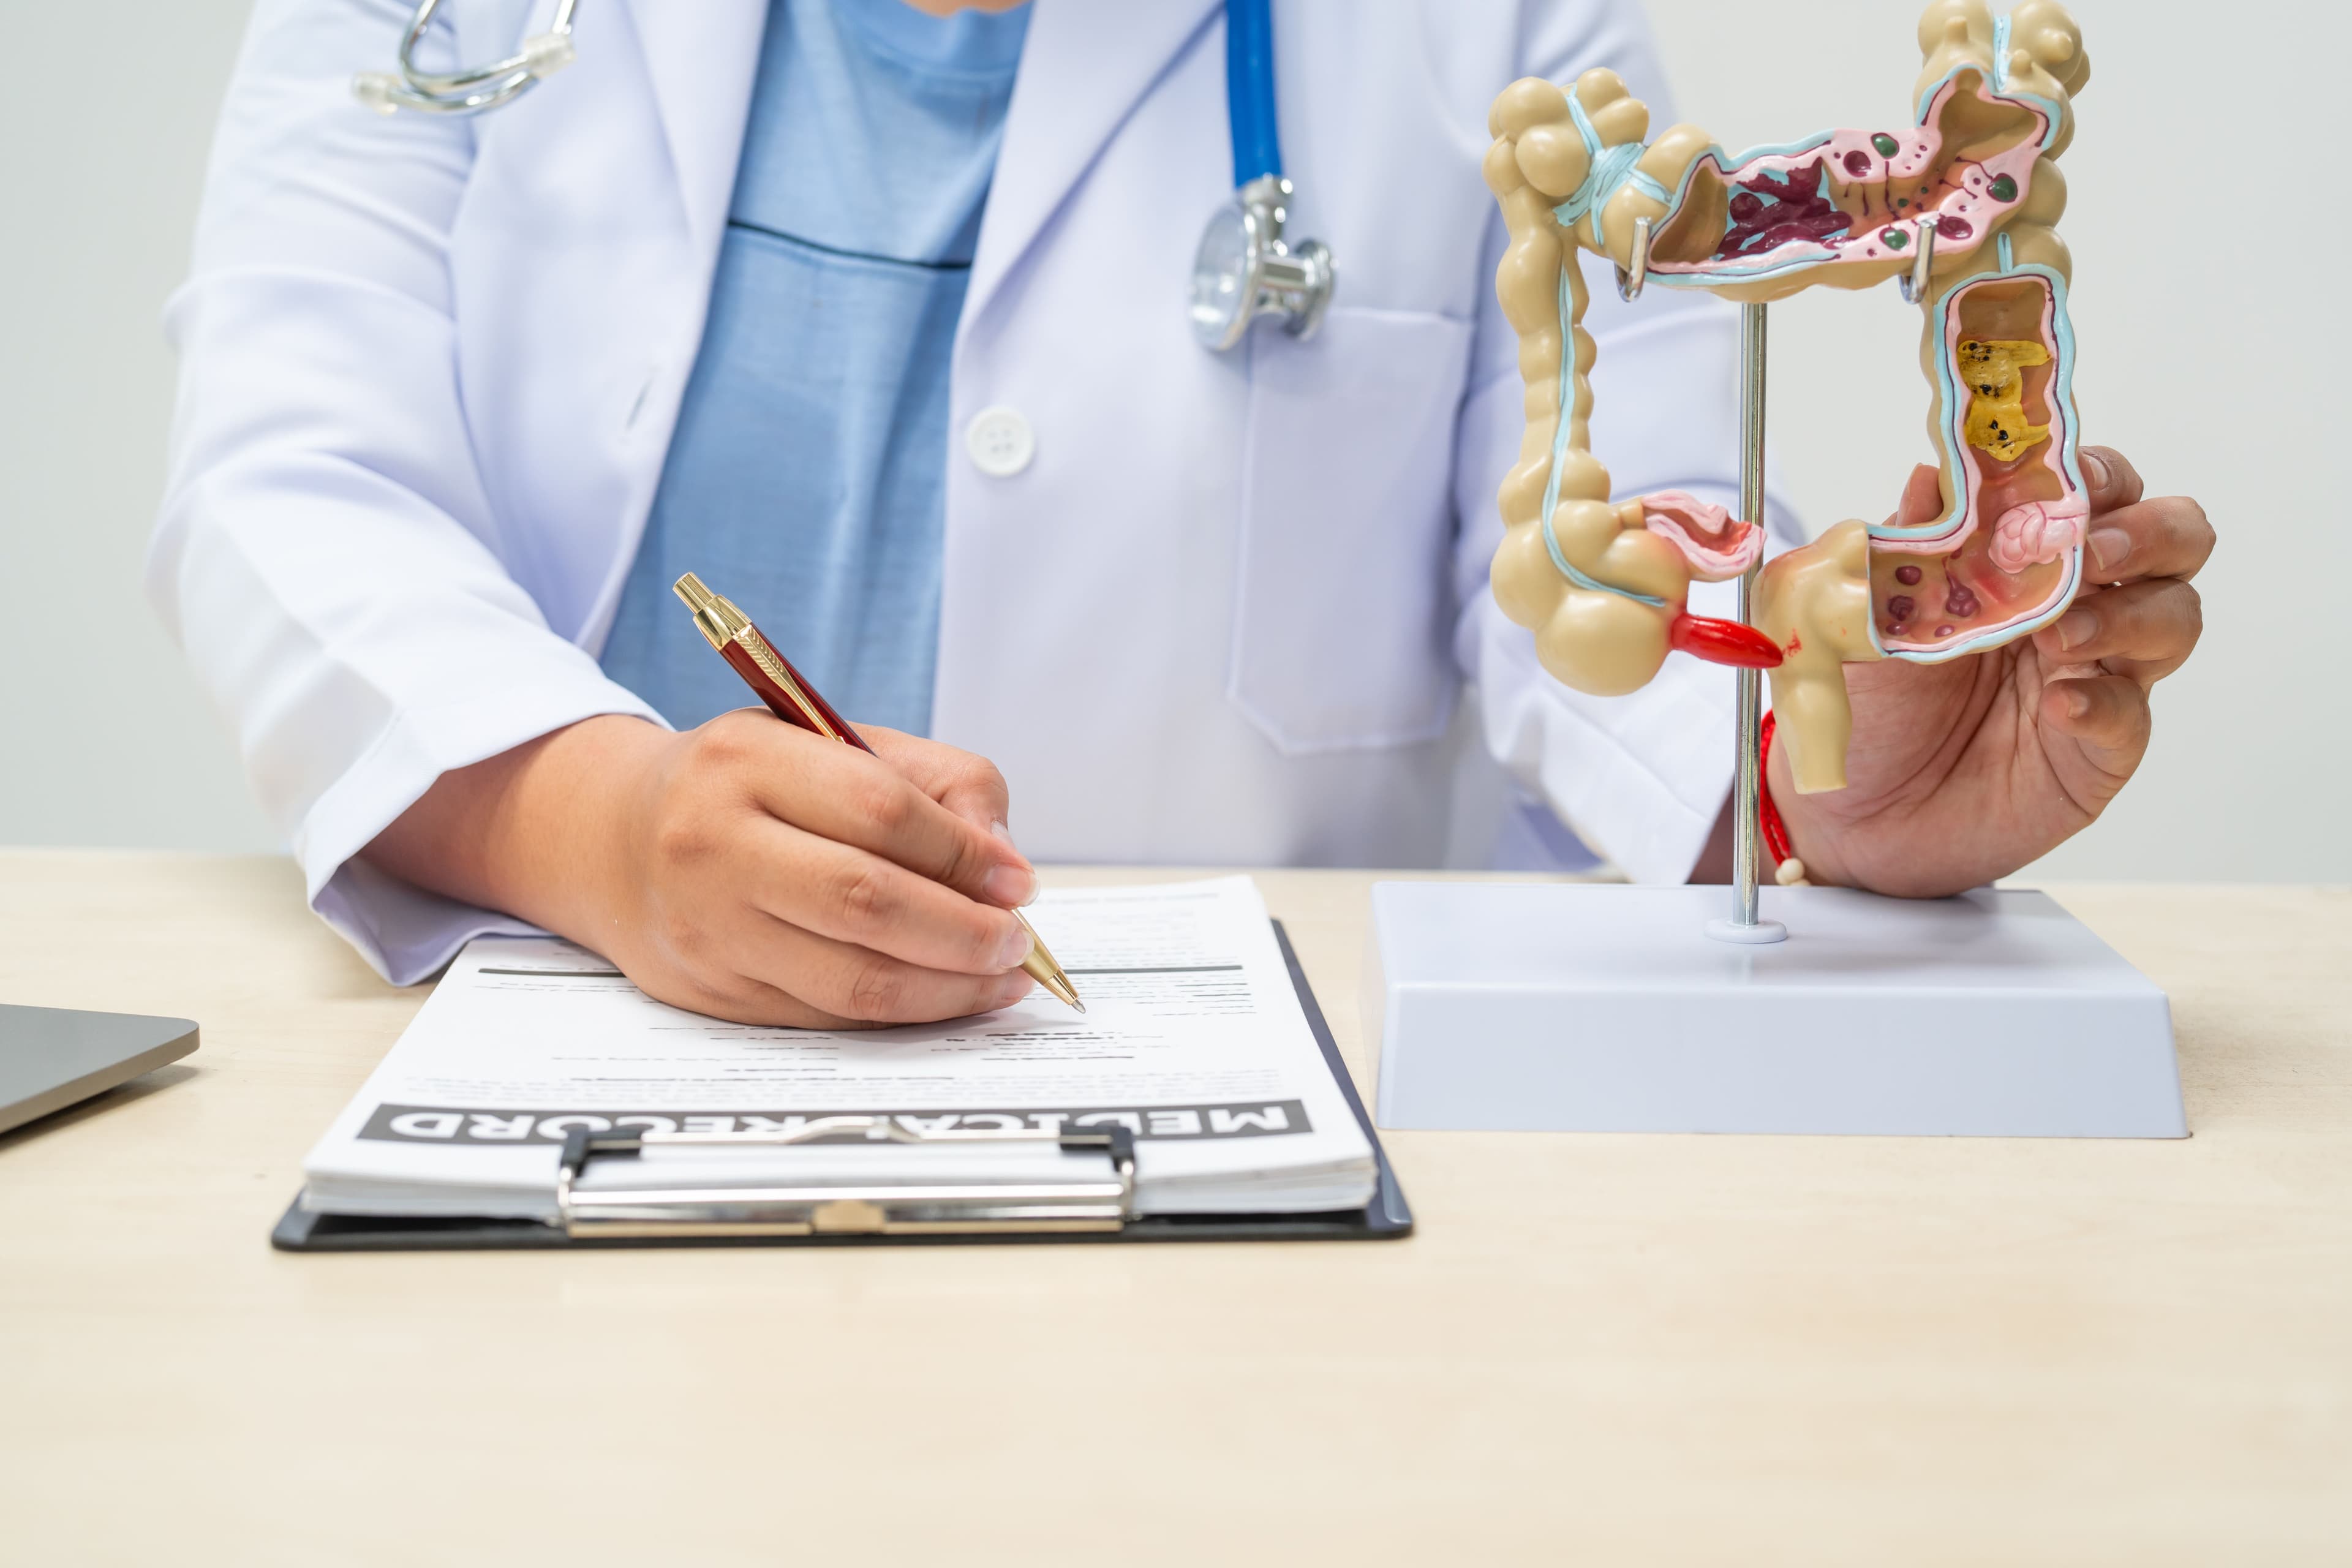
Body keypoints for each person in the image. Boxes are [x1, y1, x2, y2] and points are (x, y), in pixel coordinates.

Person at [153, 0, 2210, 1027]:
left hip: (1214, 1131)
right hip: (566, 1048)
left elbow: (1602, 540)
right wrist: (587, 827)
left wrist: (1812, 770)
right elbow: (288, 469)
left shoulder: (1494, 34)